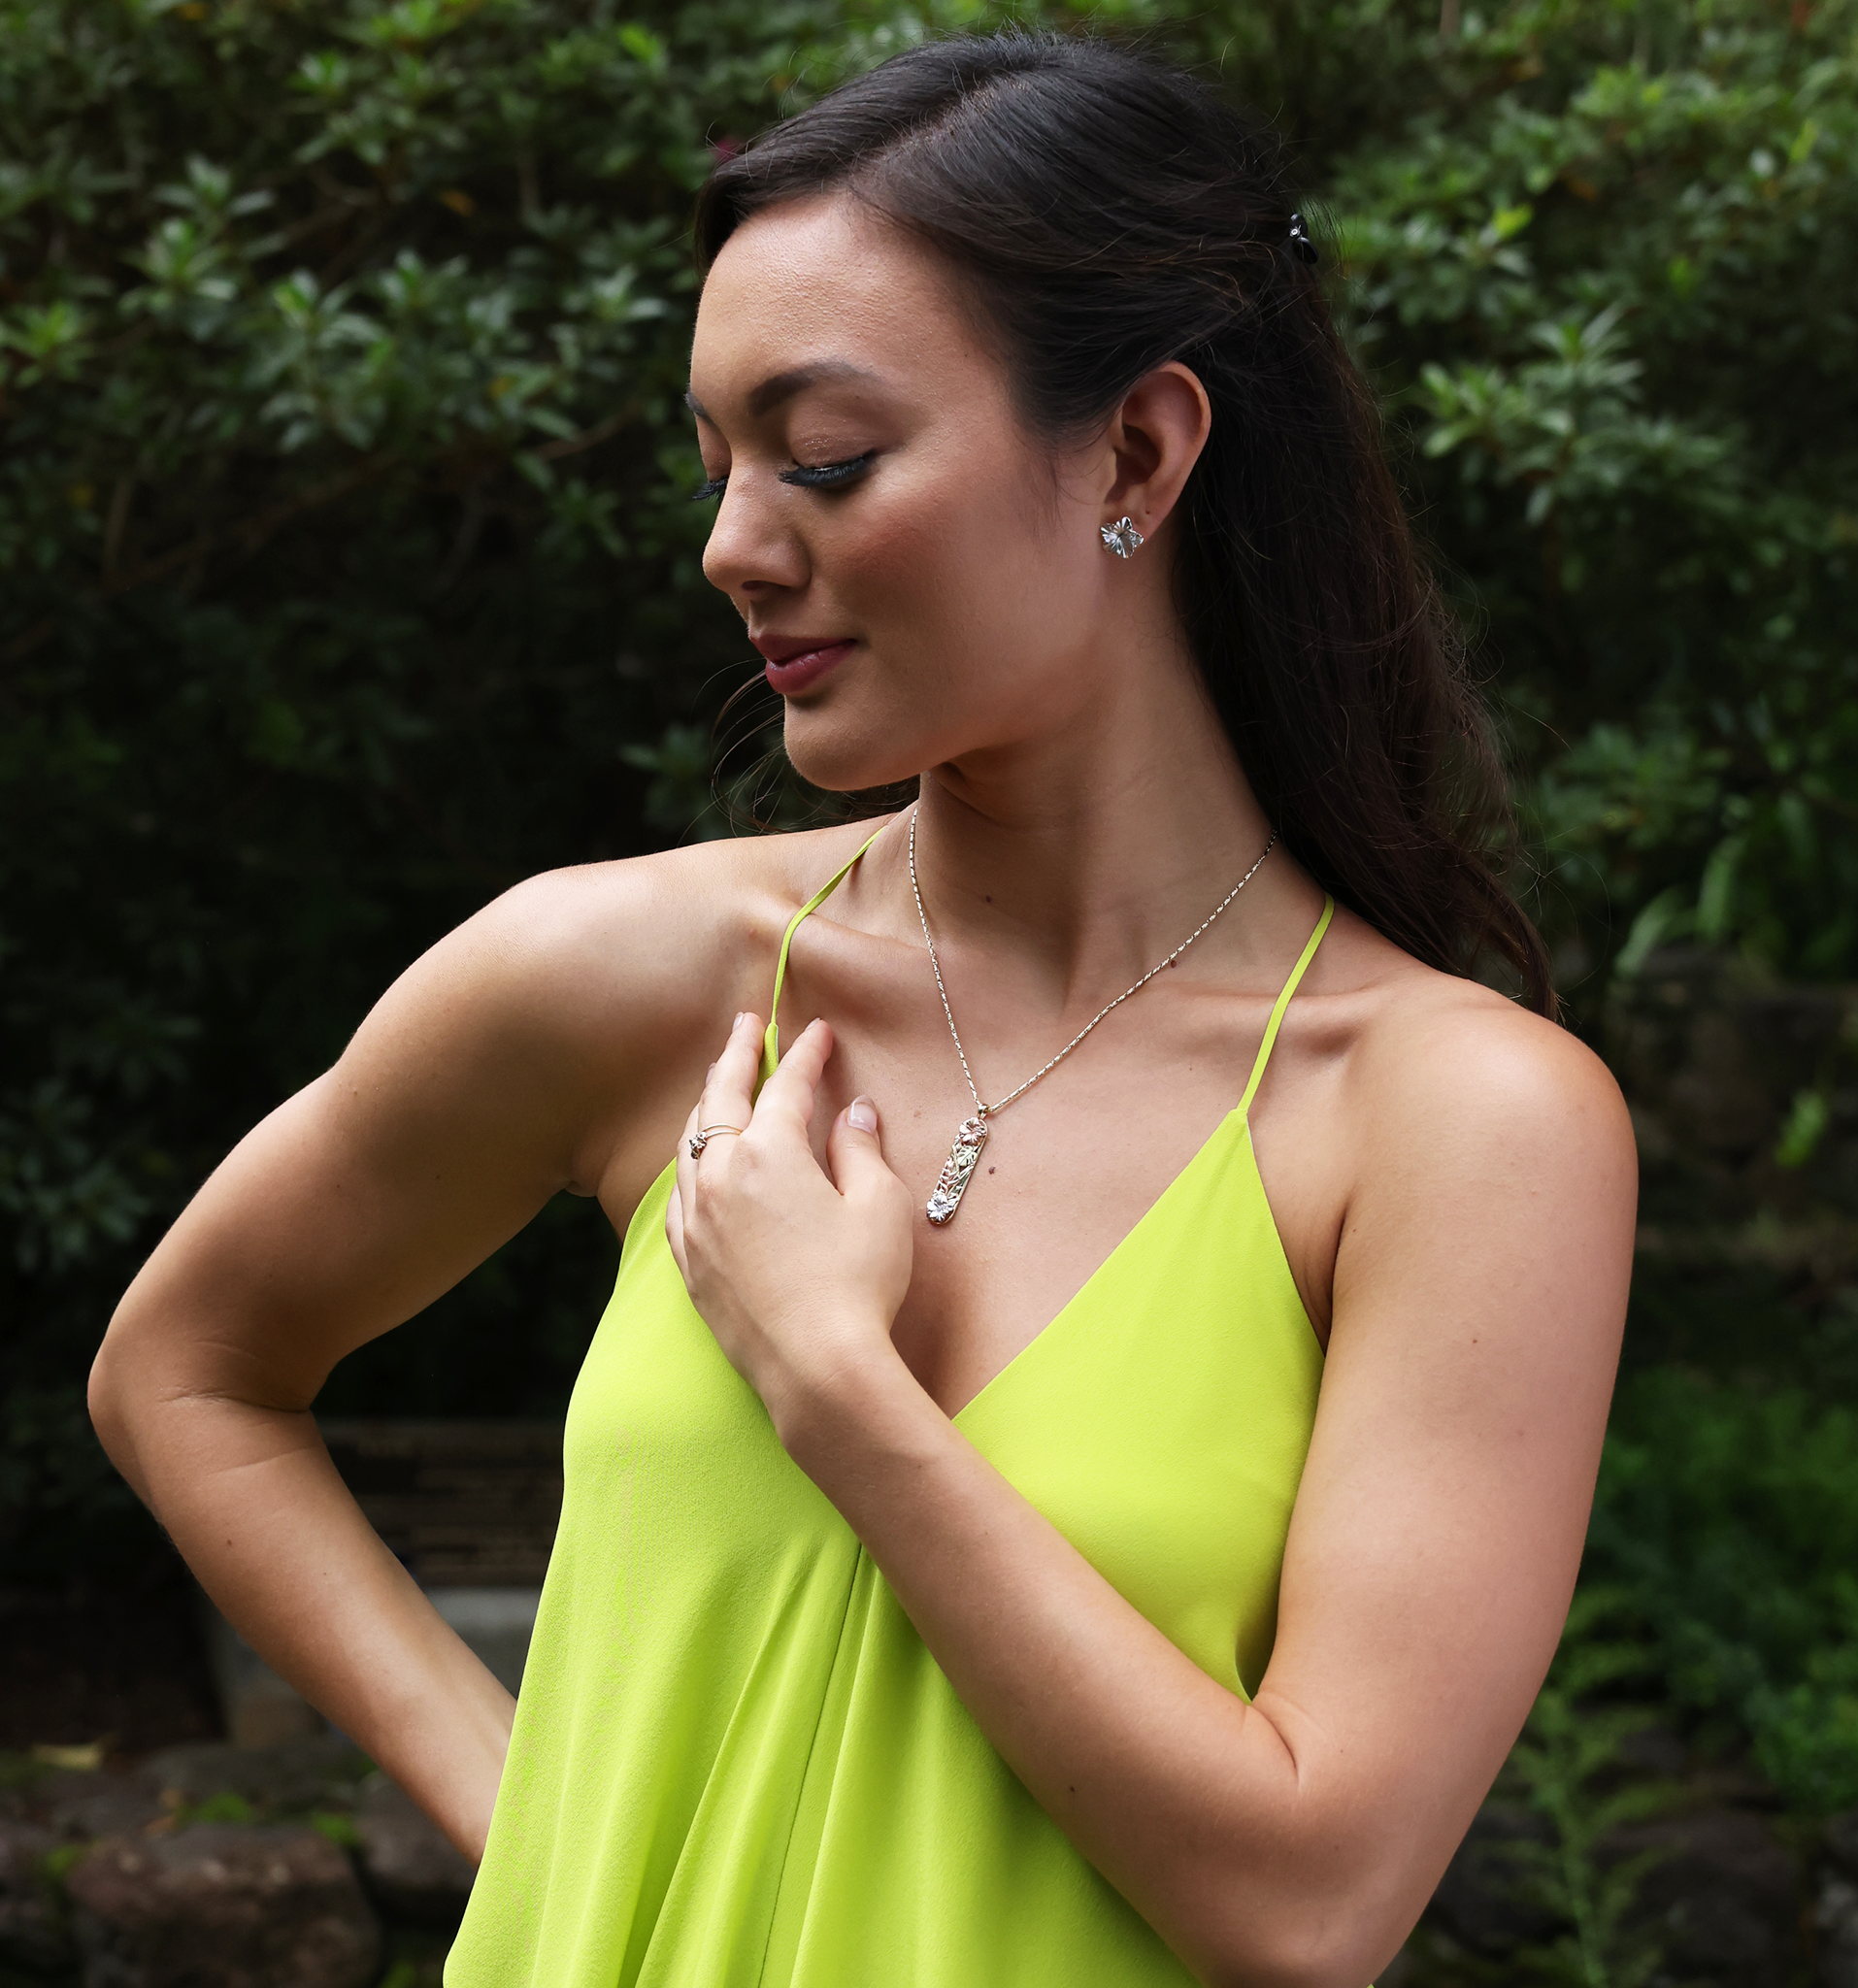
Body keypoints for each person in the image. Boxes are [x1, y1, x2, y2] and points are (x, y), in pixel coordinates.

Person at [88, 31, 1636, 1988]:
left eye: (822, 456)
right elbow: (186, 1373)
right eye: (716, 463)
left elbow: (1308, 1905)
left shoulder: (1453, 1122)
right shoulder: (630, 977)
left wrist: (833, 1381)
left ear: (1137, 455)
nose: (731, 544)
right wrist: (540, 1828)